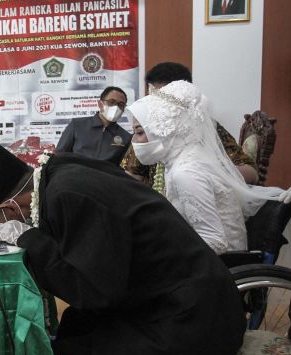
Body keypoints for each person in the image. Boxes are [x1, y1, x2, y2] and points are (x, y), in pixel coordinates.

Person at [0, 144, 246, 355]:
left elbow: (94, 290)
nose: (2, 226)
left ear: (9, 208)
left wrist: (28, 237)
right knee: (71, 327)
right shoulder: (61, 170)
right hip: (171, 295)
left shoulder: (69, 195)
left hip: (190, 320)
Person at [127, 80, 285, 254]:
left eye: (140, 132)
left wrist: (164, 252)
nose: (135, 141)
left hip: (220, 265)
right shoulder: (179, 162)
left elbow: (216, 242)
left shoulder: (186, 173)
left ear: (165, 129)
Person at [122, 62, 259, 186]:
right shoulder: (148, 129)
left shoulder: (208, 127)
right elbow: (132, 175)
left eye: (164, 101)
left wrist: (203, 173)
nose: (157, 107)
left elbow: (251, 173)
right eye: (152, 100)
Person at [55, 86, 131, 165]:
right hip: (76, 174)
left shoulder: (126, 137)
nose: (116, 107)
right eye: (111, 102)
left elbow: (124, 168)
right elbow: (60, 156)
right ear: (100, 104)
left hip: (107, 176)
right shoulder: (77, 125)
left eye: (121, 104)